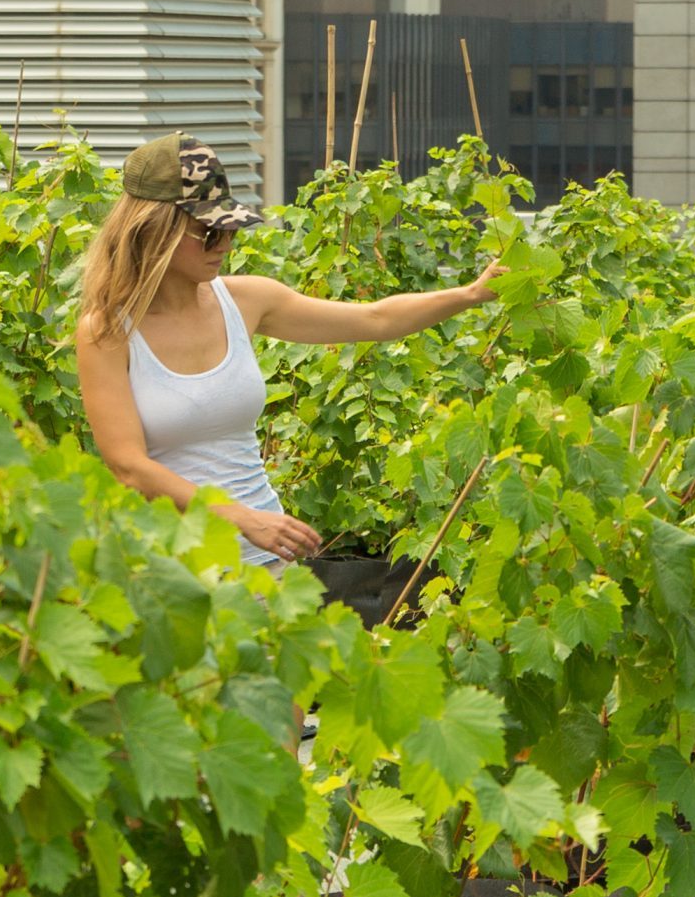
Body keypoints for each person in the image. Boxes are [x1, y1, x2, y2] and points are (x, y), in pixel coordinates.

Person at [76, 132, 504, 570]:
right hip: (173, 571)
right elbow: (128, 466)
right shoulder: (108, 333)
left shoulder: (246, 301)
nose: (224, 244)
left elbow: (377, 320)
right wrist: (242, 518)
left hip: (268, 561)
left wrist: (470, 294)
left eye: (229, 229)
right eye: (208, 233)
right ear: (154, 230)